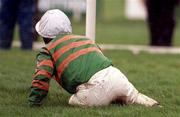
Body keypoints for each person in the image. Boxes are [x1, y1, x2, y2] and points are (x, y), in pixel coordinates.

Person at [28, 9, 160, 107]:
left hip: (94, 87)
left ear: (43, 35)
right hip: (115, 75)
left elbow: (41, 77)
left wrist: (34, 102)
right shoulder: (85, 39)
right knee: (135, 97)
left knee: (72, 101)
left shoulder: (47, 50)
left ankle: (109, 99)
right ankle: (155, 106)